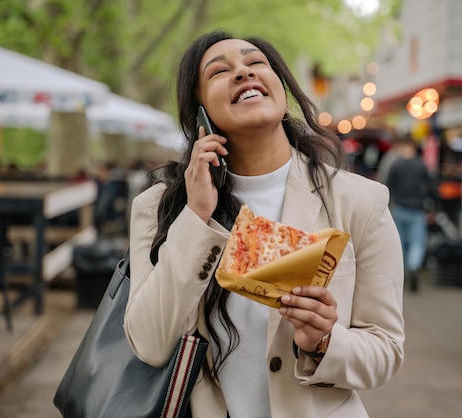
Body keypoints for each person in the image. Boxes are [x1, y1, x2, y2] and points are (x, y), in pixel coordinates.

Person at [123, 31, 405, 418]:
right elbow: (149, 344)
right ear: (199, 112)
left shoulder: (361, 201)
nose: (243, 73)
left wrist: (322, 341)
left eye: (255, 63)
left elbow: (386, 349)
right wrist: (195, 218)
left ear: (280, 87)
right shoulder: (157, 207)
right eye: (220, 71)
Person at [385, 135, 436, 292]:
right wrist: (432, 207)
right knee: (417, 242)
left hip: (399, 208)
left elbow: (388, 186)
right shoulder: (421, 165)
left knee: (400, 243)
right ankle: (414, 266)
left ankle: (401, 273)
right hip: (417, 209)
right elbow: (431, 187)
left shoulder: (396, 164)